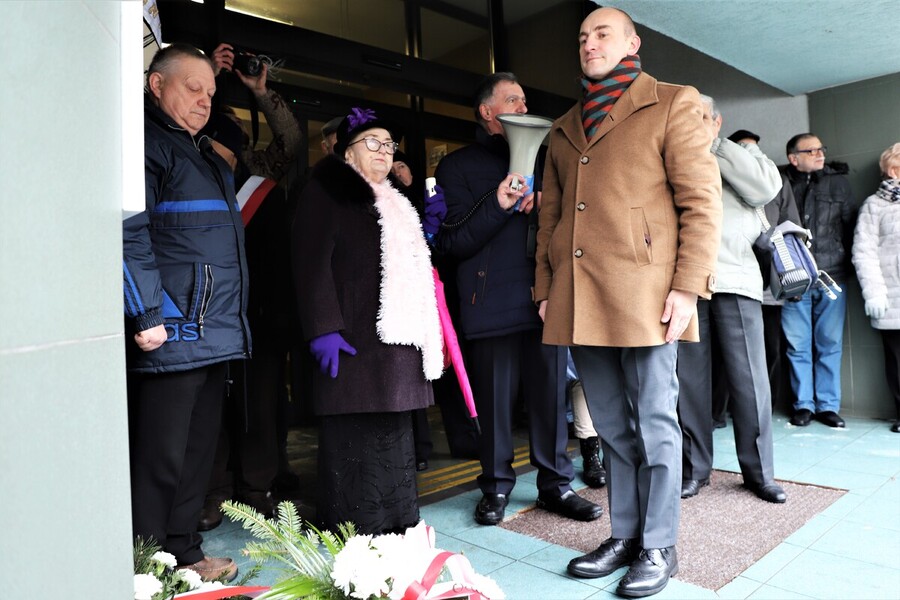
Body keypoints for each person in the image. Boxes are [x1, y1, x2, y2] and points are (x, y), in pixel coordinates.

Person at [537, 8, 721, 597]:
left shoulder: (672, 101)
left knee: (655, 423)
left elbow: (701, 201)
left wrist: (688, 286)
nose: (589, 44)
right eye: (582, 37)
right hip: (579, 294)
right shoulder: (564, 126)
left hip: (648, 295)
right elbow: (549, 218)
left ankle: (659, 544)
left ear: (632, 42)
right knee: (612, 426)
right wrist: (545, 289)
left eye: (602, 34)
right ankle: (625, 534)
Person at [431, 72, 602, 528]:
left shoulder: (550, 160)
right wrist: (499, 202)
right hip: (490, 303)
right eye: (513, 101)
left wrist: (548, 202)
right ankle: (495, 486)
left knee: (549, 399)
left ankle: (556, 484)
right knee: (495, 404)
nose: (524, 108)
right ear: (487, 112)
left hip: (544, 298)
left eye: (525, 100)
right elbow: (451, 241)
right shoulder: (457, 167)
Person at [123, 43, 249, 582]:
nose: (204, 100)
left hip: (211, 329)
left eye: (211, 92)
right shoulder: (146, 146)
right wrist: (145, 312)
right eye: (192, 88)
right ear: (157, 85)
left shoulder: (202, 153)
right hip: (171, 327)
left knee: (196, 452)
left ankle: (184, 553)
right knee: (161, 457)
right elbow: (127, 232)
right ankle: (146, 568)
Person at [292, 107, 443, 534]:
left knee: (395, 436)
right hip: (353, 340)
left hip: (396, 342)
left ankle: (398, 525)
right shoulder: (326, 190)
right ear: (347, 151)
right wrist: (323, 328)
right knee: (355, 436)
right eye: (372, 142)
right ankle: (354, 530)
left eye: (389, 144)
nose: (383, 151)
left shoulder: (394, 198)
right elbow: (310, 263)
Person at [198, 42, 303, 531]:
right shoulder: (189, 172)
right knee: (212, 410)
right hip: (208, 312)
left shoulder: (258, 176)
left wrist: (260, 90)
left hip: (260, 316)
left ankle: (256, 489)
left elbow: (291, 140)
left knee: (259, 407)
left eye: (232, 138)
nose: (223, 148)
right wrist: (210, 74)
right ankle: (213, 493)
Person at [677, 96, 786, 504]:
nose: (693, 123)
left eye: (701, 116)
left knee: (750, 380)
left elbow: (766, 188)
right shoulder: (674, 152)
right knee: (689, 381)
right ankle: (694, 470)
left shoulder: (742, 153)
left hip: (735, 277)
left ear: (717, 120)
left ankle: (760, 473)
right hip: (687, 280)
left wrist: (714, 143)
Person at [780, 134, 857, 428]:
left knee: (830, 342)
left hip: (832, 274)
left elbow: (850, 227)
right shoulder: (780, 183)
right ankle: (803, 405)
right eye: (810, 150)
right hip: (794, 277)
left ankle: (827, 406)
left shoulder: (838, 183)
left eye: (821, 148)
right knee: (796, 344)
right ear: (793, 158)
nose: (819, 153)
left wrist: (847, 265)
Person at [852, 143, 900, 433]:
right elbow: (864, 252)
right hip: (892, 298)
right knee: (897, 360)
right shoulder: (875, 205)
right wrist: (874, 293)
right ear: (893, 170)